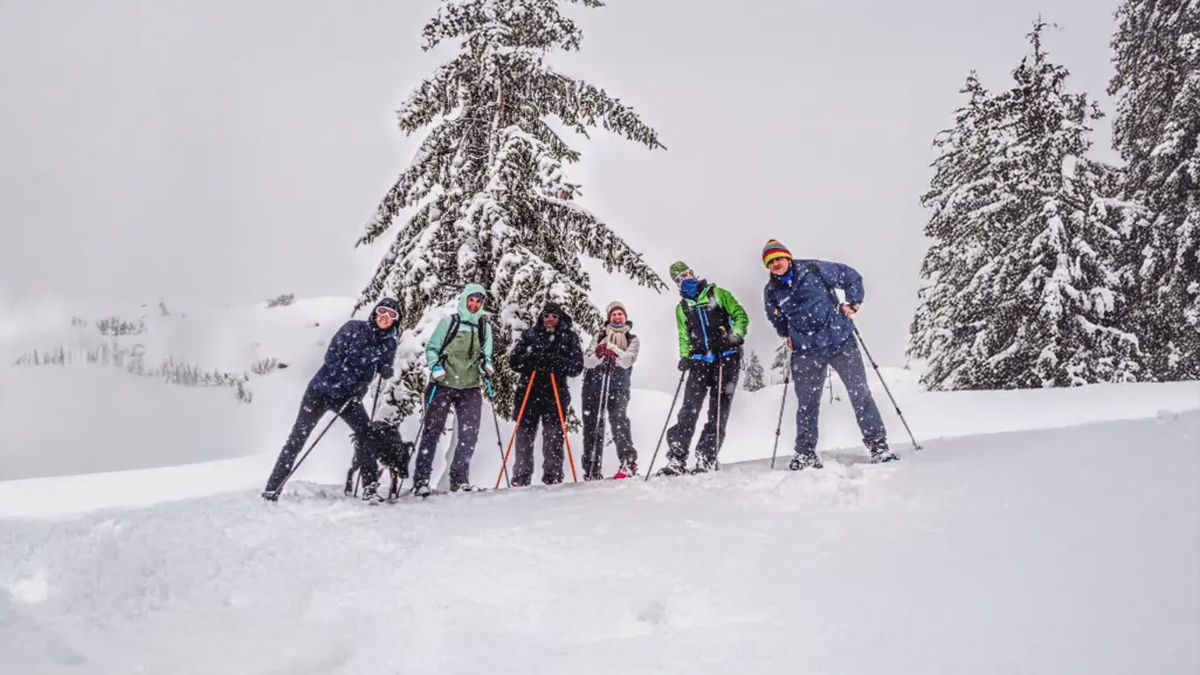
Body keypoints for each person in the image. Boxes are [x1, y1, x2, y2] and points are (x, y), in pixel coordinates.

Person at [760, 239, 899, 469]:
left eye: (778, 258)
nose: (776, 264)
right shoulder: (772, 291)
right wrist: (786, 333)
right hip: (806, 351)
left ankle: (878, 446)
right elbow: (774, 316)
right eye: (770, 262)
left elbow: (851, 276)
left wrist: (853, 303)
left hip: (840, 342)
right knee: (807, 403)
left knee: (860, 394)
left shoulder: (813, 269)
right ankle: (805, 454)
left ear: (788, 257)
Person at [262, 298, 400, 502]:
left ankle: (370, 488)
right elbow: (332, 358)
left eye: (391, 315)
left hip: (348, 398)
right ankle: (272, 488)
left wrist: (384, 369)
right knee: (297, 439)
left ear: (396, 320)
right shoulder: (353, 329)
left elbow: (382, 364)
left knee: (367, 434)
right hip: (319, 392)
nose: (385, 317)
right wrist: (353, 382)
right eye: (382, 312)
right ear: (375, 312)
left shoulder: (389, 343)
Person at [659, 262, 749, 476]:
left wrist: (734, 335)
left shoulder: (718, 294)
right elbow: (683, 334)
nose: (684, 280)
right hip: (699, 361)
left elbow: (740, 315)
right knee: (688, 410)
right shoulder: (682, 308)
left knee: (718, 410)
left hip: (725, 358)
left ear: (692, 273)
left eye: (685, 274)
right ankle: (677, 457)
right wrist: (685, 356)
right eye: (679, 279)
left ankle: (706, 456)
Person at [410, 284, 495, 497]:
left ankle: (459, 480)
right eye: (471, 300)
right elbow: (432, 349)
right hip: (442, 384)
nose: (474, 305)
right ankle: (421, 481)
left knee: (469, 433)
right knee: (432, 432)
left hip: (470, 387)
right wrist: (436, 367)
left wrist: (486, 367)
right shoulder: (449, 322)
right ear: (465, 300)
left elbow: (486, 355)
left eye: (479, 301)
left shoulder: (484, 327)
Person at [508, 302, 585, 486]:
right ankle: (521, 477)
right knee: (524, 434)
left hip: (555, 391)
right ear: (541, 317)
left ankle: (553, 476)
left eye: (554, 316)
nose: (550, 319)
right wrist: (531, 359)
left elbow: (577, 366)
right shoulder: (530, 334)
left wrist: (558, 362)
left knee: (553, 434)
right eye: (547, 316)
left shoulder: (568, 336)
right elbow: (514, 361)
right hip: (529, 390)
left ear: (560, 318)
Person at [580, 301, 642, 480]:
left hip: (618, 385)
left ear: (625, 317)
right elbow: (587, 360)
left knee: (618, 420)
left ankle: (628, 462)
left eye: (620, 314)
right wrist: (599, 355)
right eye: (614, 314)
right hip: (594, 385)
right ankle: (592, 467)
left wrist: (612, 349)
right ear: (609, 318)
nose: (617, 317)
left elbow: (627, 361)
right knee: (592, 424)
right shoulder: (599, 335)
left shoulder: (632, 339)